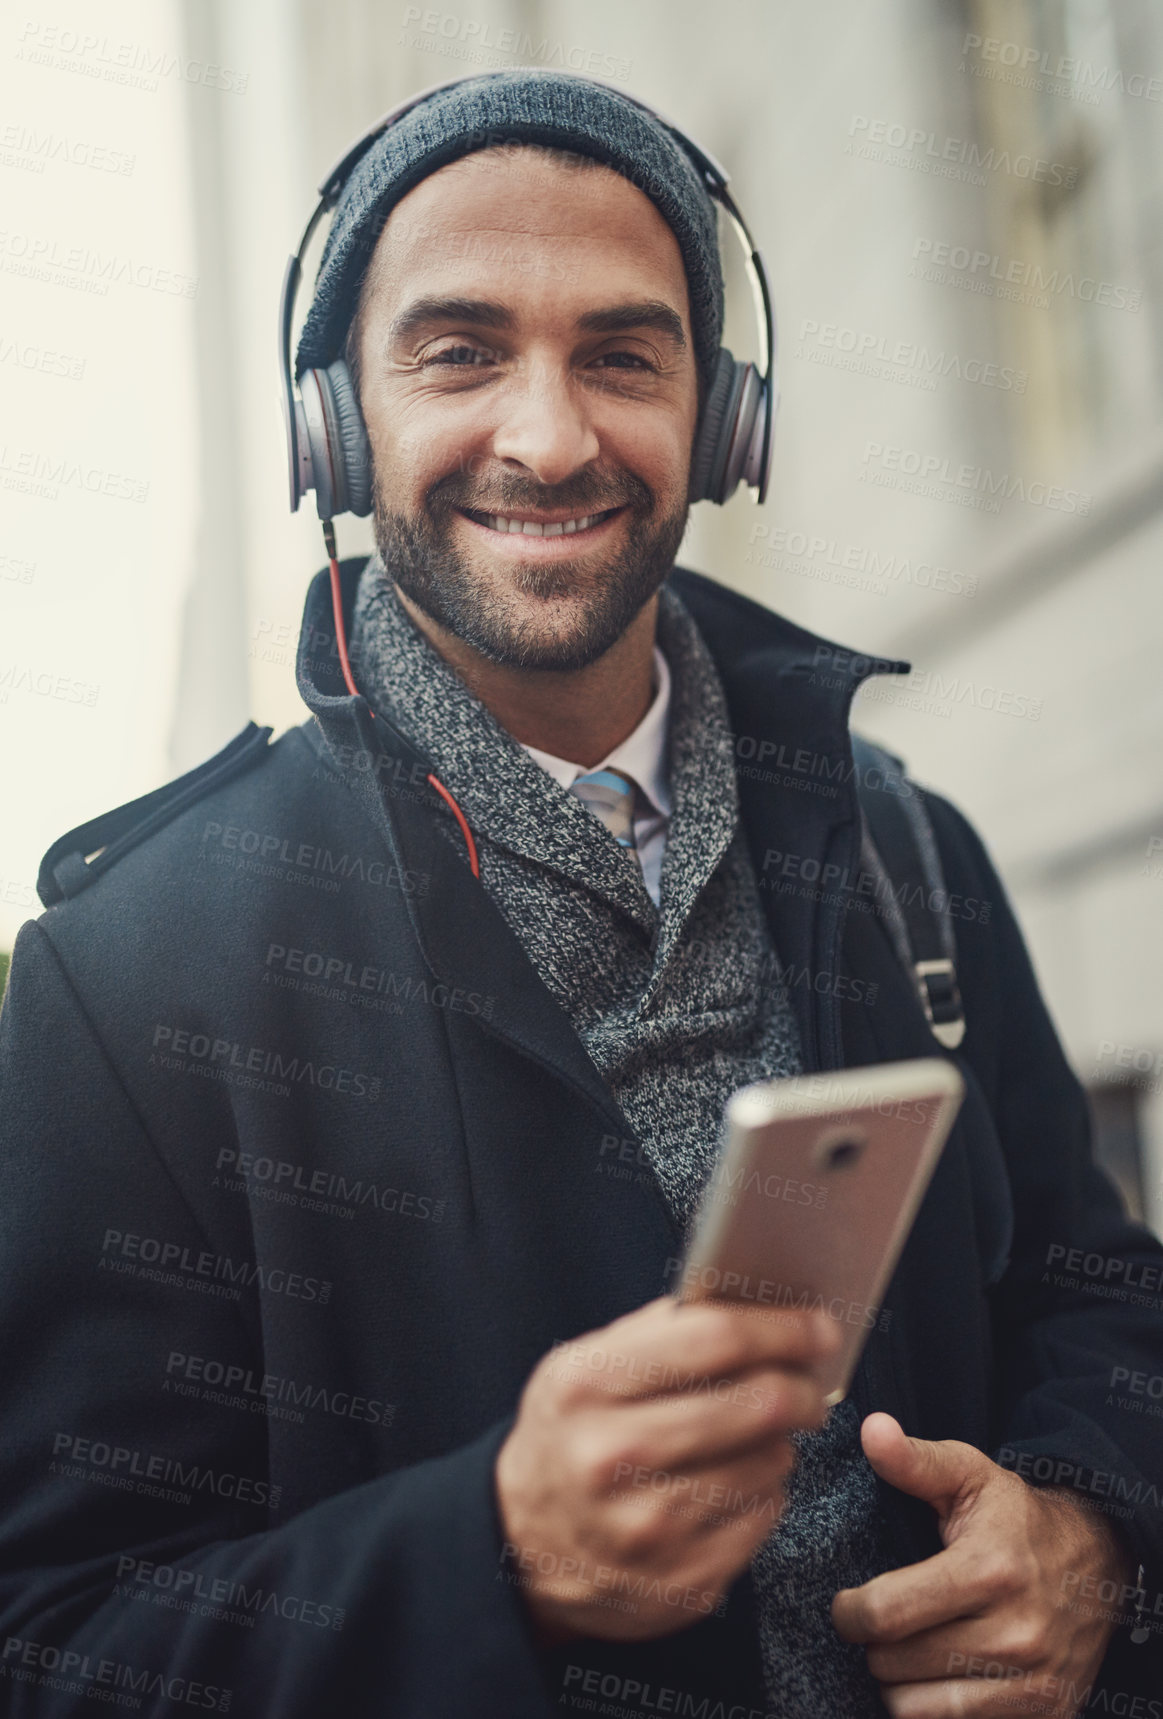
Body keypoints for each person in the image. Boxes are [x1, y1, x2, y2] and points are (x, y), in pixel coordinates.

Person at [1, 69, 1160, 1719]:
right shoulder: (129, 982)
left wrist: (1092, 1537)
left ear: (724, 418)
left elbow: (1101, 1301)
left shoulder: (910, 854)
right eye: (461, 350)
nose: (548, 438)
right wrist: (485, 1555)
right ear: (335, 421)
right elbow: (53, 1644)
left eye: (622, 355)